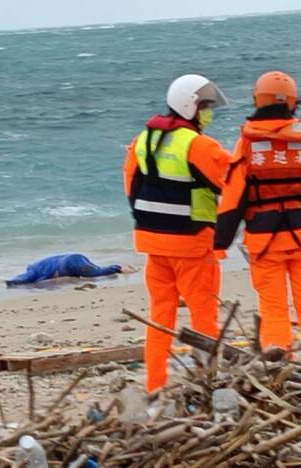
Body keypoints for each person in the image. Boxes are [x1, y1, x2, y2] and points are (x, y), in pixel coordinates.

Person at [214, 71, 301, 363]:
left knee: (272, 306)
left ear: (257, 99)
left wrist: (219, 243)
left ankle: (278, 363)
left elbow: (233, 198)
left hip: (264, 242)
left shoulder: (247, 143)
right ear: (293, 102)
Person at [123, 74, 231, 392]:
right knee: (204, 316)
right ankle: (207, 382)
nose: (208, 112)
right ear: (191, 106)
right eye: (206, 106)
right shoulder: (198, 145)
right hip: (193, 244)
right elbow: (233, 182)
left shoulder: (142, 141)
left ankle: (155, 385)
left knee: (160, 317)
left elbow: (131, 185)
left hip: (153, 243)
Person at [6, 253, 122, 286]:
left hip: (67, 263)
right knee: (97, 271)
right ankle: (119, 268)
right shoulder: (39, 265)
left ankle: (119, 268)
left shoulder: (33, 270)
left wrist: (12, 282)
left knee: (96, 273)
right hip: (75, 257)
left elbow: (25, 278)